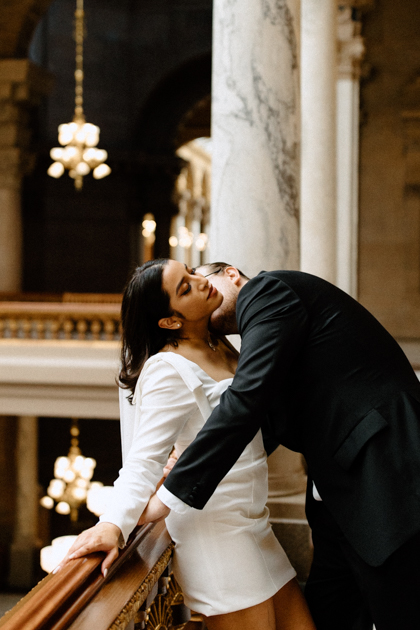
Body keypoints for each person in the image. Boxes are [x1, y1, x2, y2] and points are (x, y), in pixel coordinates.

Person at [142, 262, 420, 630]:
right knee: (329, 613)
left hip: (385, 476)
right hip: (340, 500)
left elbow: (245, 403)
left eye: (200, 279)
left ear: (231, 275)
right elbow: (263, 426)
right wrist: (186, 458)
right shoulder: (273, 335)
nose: (204, 308)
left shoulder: (269, 291)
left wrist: (171, 494)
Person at [57, 259, 316, 630]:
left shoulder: (222, 343)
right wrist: (114, 523)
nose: (201, 282)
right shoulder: (167, 369)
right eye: (185, 287)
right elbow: (143, 461)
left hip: (255, 524)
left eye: (192, 273)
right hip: (216, 537)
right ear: (170, 321)